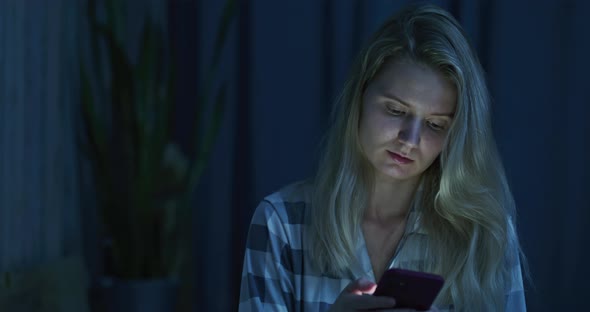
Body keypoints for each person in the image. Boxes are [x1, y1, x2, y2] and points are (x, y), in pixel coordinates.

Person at [239, 4, 527, 311]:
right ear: (359, 97)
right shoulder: (281, 224)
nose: (410, 140)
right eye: (395, 110)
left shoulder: (484, 236)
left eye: (435, 125)